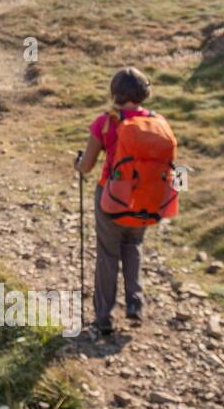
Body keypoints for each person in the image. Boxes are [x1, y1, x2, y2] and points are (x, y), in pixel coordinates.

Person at [75, 67, 174, 336]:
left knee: (108, 255)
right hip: (147, 197)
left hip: (112, 198)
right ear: (143, 93)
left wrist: (78, 163)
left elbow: (87, 166)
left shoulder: (107, 122)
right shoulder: (156, 122)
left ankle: (103, 317)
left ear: (115, 93)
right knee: (134, 245)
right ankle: (134, 303)